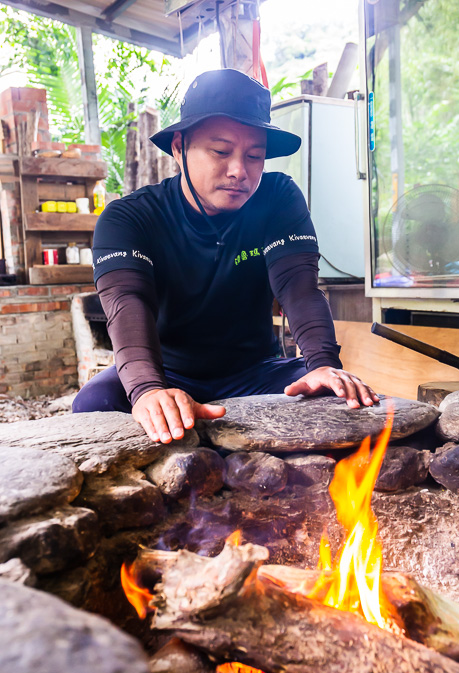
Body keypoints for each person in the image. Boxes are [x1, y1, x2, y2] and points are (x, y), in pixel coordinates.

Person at [72, 69, 378, 443]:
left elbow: (298, 287)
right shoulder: (129, 219)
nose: (239, 171)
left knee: (337, 398)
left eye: (255, 156)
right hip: (166, 371)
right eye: (220, 151)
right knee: (94, 403)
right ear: (179, 147)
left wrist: (323, 365)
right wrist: (148, 390)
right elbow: (126, 303)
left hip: (256, 371)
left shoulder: (278, 198)